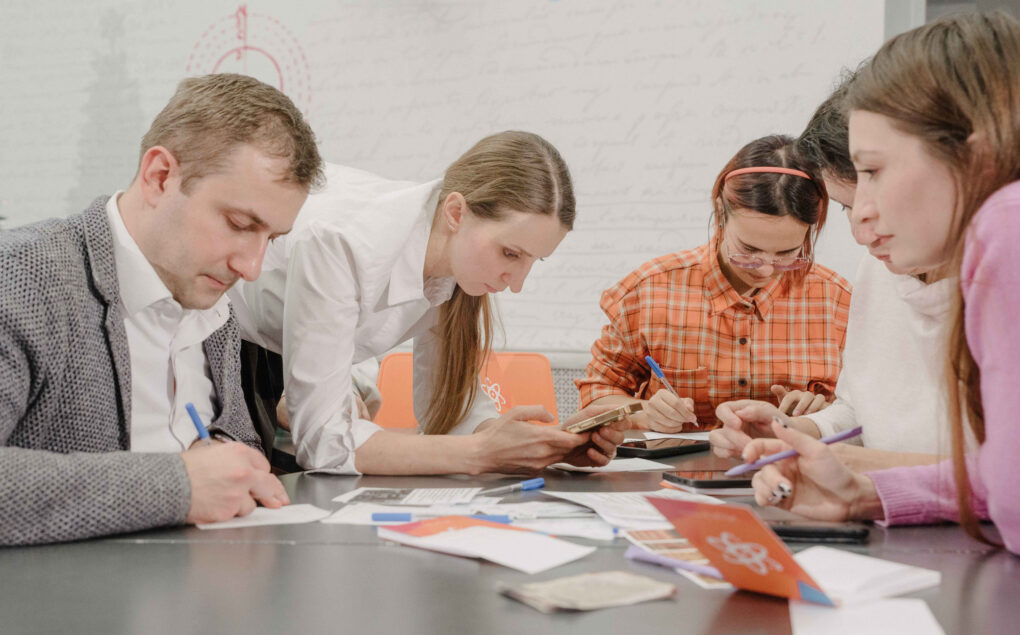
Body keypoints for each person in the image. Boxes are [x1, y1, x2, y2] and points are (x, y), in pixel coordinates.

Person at [0, 73, 324, 546]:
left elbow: (234, 449)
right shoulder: (20, 278)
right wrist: (179, 486)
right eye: (238, 224)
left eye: (270, 238)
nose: (251, 268)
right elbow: (187, 484)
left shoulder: (214, 306)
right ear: (160, 177)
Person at [743, 11, 1020, 554]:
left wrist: (868, 469)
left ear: (975, 154)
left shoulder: (1004, 224)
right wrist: (865, 494)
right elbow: (1004, 476)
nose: (862, 221)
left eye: (872, 171)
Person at [231, 131, 626, 475]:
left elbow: (447, 411)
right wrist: (482, 453)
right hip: (231, 351)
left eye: (532, 261)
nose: (517, 284)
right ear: (456, 212)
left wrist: (541, 446)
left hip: (284, 352)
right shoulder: (343, 242)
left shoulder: (453, 266)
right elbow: (324, 443)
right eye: (510, 253)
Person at [709, 71, 971, 470]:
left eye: (877, 196)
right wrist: (791, 430)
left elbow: (997, 474)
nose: (860, 233)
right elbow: (858, 411)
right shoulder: (879, 269)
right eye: (846, 205)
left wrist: (857, 466)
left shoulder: (996, 283)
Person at [576, 135, 852, 433]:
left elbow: (862, 411)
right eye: (749, 250)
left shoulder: (837, 301)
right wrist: (642, 414)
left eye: (787, 254)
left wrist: (817, 417)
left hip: (787, 462)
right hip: (677, 464)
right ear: (720, 212)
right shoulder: (650, 292)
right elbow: (597, 393)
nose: (766, 269)